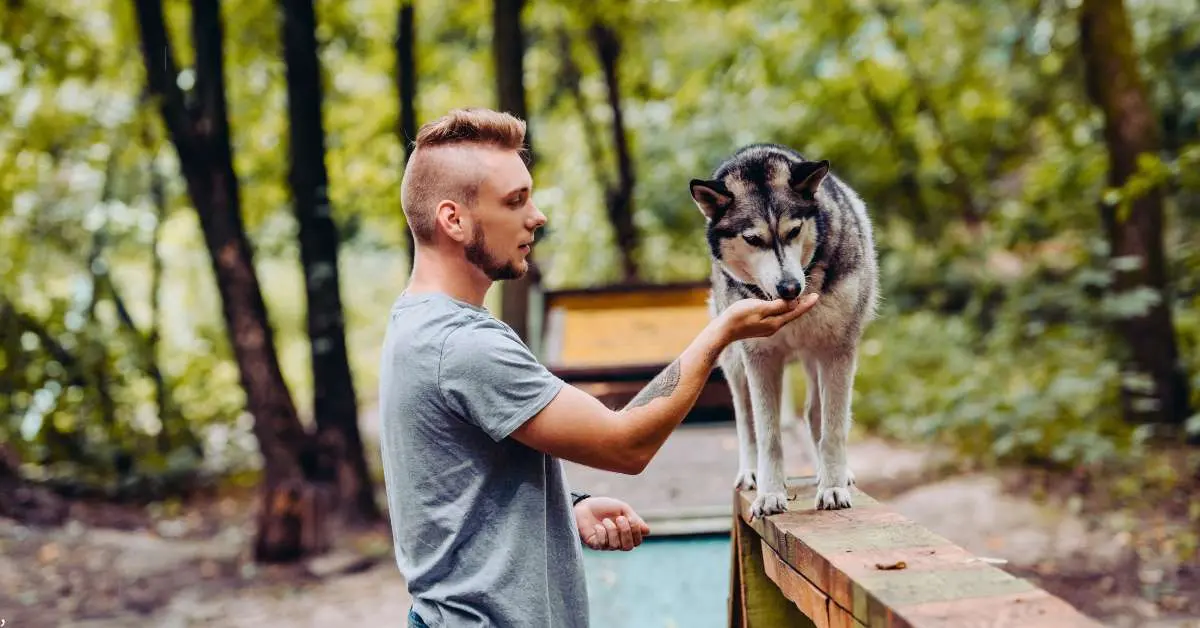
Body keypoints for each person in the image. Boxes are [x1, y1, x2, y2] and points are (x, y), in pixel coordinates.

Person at [378, 107, 819, 628]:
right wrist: (722, 331)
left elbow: (457, 488)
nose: (537, 216)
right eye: (515, 201)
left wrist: (567, 509)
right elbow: (625, 444)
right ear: (453, 220)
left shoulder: (419, 323)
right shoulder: (461, 345)